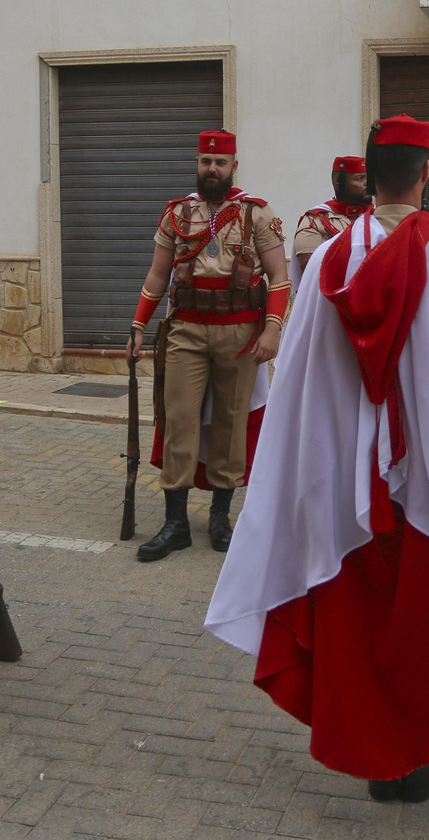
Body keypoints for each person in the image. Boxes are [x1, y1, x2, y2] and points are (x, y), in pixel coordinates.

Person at [204, 114, 429, 803]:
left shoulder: (330, 262)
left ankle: (376, 754)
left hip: (347, 484)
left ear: (367, 179)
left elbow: (303, 382)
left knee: (359, 619)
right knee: (416, 622)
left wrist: (304, 476)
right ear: (426, 173)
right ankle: (421, 753)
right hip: (426, 481)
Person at [128, 130, 289, 559]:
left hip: (240, 334)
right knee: (178, 419)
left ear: (234, 165)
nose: (211, 169)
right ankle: (175, 523)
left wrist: (272, 329)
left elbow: (280, 277)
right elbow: (157, 276)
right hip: (186, 330)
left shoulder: (256, 213)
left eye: (219, 163)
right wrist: (138, 325)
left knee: (231, 423)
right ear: (197, 164)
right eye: (205, 162)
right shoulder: (178, 213)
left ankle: (220, 518)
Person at [292, 156, 373, 279]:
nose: (367, 183)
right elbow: (311, 274)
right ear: (339, 185)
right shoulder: (315, 221)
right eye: (360, 178)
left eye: (368, 177)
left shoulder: (380, 216)